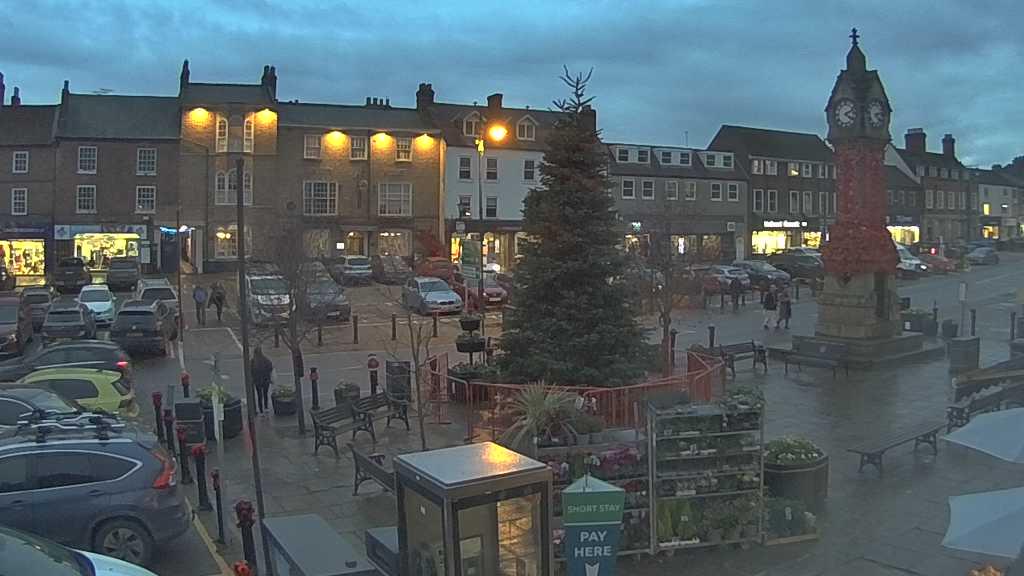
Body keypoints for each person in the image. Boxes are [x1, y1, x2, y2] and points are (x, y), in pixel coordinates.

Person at [252, 346, 273, 414]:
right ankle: (266, 407)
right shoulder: (266, 360)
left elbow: (250, 371)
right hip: (266, 380)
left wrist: (253, 379)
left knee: (259, 396)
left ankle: (261, 411)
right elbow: (270, 367)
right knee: (265, 394)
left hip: (257, 381)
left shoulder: (253, 361)